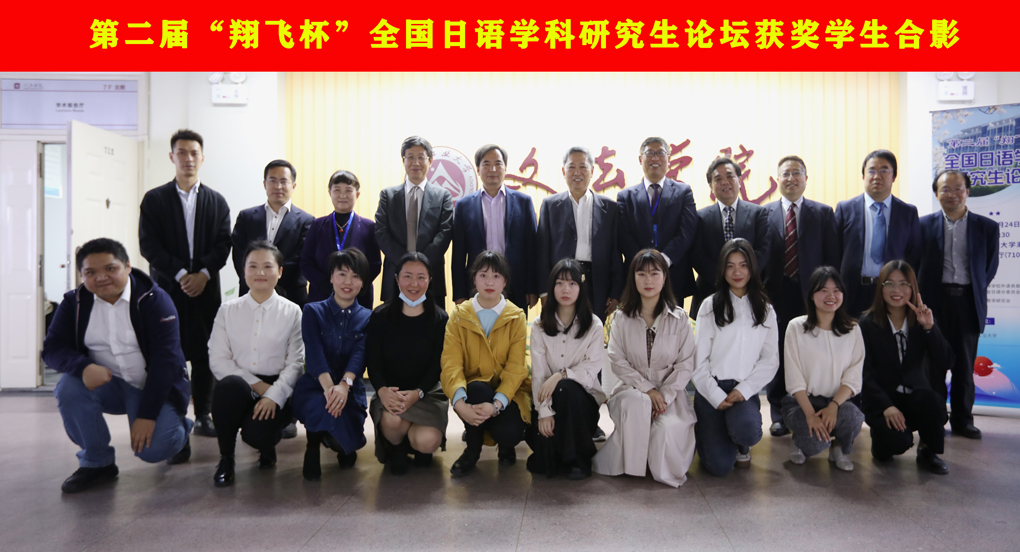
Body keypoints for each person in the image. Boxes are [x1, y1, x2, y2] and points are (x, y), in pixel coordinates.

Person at [44, 238, 192, 493]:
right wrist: (83, 366)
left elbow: (165, 362)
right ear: (81, 276)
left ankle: (181, 429)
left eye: (110, 268)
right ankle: (97, 463)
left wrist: (147, 415)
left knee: (153, 450)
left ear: (128, 266)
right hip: (108, 385)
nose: (101, 278)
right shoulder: (74, 303)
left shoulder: (155, 300)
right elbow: (52, 349)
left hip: (152, 387)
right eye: (91, 272)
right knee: (68, 387)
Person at [139, 129, 231, 438]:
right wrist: (181, 275)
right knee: (169, 354)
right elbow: (149, 246)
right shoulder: (154, 199)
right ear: (172, 157)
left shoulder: (217, 201)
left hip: (206, 290)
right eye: (182, 152)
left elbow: (223, 245)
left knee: (206, 354)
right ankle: (174, 415)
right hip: (168, 290)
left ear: (202, 158)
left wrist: (203, 274)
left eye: (194, 153)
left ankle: (204, 414)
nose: (188, 158)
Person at [592, 249, 697, 488]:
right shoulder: (621, 318)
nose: (648, 280)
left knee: (667, 429)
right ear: (633, 278)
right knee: (637, 404)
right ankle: (633, 468)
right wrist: (648, 390)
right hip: (632, 389)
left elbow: (685, 364)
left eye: (654, 273)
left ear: (664, 277)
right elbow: (617, 359)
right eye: (641, 274)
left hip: (670, 394)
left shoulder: (680, 318)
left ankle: (654, 465)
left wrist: (664, 396)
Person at [207, 241, 304, 487]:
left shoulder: (293, 312)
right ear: (243, 271)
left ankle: (266, 446)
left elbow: (296, 362)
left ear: (279, 272)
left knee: (259, 435)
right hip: (237, 385)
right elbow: (218, 359)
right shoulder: (227, 310)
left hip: (276, 386)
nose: (260, 272)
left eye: (267, 266)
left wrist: (274, 394)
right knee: (228, 387)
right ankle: (226, 458)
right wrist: (258, 387)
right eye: (253, 266)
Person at [762, 155, 841, 437]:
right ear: (777, 179)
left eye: (797, 173)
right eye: (785, 173)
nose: (791, 178)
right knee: (777, 353)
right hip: (776, 294)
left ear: (806, 179)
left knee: (811, 353)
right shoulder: (764, 214)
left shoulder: (823, 213)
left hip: (812, 295)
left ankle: (811, 409)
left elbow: (832, 258)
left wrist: (829, 295)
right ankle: (779, 414)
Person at [918, 170, 999, 439]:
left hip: (967, 303)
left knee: (964, 366)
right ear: (936, 193)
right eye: (945, 189)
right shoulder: (922, 226)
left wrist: (969, 290)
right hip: (934, 303)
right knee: (934, 366)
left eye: (958, 188)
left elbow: (988, 269)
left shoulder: (987, 227)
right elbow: (915, 265)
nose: (952, 194)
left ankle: (963, 420)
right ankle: (935, 418)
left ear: (967, 191)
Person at [692, 239, 779, 476]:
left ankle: (740, 442)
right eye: (730, 266)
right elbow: (698, 361)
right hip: (712, 388)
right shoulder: (709, 306)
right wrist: (715, 395)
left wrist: (745, 389)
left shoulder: (765, 309)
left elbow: (770, 359)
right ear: (722, 269)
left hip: (742, 390)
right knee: (719, 467)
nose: (737, 272)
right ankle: (714, 434)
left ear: (752, 268)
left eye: (743, 265)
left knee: (747, 432)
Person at [441, 251, 531, 477]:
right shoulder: (458, 316)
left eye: (496, 276)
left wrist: (497, 405)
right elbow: (451, 363)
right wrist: (459, 403)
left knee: (509, 432)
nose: (490, 282)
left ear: (505, 282)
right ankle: (472, 450)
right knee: (477, 389)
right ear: (474, 279)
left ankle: (506, 446)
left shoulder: (516, 316)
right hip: (473, 393)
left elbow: (516, 368)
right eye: (483, 275)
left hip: (508, 394)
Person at [860, 260, 952, 474]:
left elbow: (946, 361)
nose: (896, 290)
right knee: (895, 444)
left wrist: (930, 328)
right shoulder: (867, 324)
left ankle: (928, 450)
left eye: (903, 284)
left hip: (915, 397)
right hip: (885, 401)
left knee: (933, 402)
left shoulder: (922, 319)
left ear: (912, 288)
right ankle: (882, 440)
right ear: (880, 287)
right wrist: (886, 406)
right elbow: (864, 373)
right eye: (889, 284)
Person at [291, 249, 373, 481]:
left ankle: (332, 436)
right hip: (316, 385)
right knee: (320, 404)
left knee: (345, 445)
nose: (348, 282)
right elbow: (314, 353)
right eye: (342, 274)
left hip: (349, 389)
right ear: (331, 277)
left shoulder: (368, 317)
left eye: (355, 276)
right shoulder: (312, 311)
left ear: (363, 283)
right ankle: (312, 445)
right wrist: (330, 389)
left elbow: (360, 355)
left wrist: (344, 386)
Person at [366, 252, 449, 475]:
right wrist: (382, 390)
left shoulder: (440, 319)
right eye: (408, 276)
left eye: (421, 277)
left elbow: (437, 366)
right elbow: (373, 362)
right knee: (393, 422)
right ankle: (398, 446)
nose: (414, 284)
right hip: (391, 392)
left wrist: (418, 392)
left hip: (427, 393)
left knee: (427, 441)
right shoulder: (381, 316)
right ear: (396, 278)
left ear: (430, 280)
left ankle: (416, 443)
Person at [526, 259, 606, 479]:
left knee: (567, 388)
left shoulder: (594, 325)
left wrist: (560, 376)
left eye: (572, 284)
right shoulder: (540, 325)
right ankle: (565, 454)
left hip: (582, 405)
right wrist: (544, 412)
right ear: (552, 287)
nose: (565, 289)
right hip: (549, 402)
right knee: (540, 451)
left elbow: (589, 372)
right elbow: (539, 374)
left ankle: (575, 460)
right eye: (560, 283)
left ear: (581, 288)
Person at [781, 266, 865, 472]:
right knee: (816, 442)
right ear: (812, 295)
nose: (831, 296)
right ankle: (800, 441)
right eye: (823, 290)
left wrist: (834, 406)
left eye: (836, 290)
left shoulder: (853, 329)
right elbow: (794, 378)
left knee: (854, 417)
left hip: (837, 402)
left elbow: (853, 376)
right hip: (802, 404)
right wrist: (810, 415)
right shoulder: (796, 327)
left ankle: (838, 448)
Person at [537, 146, 624, 319]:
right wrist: (543, 292)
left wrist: (616, 292)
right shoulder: (550, 205)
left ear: (592, 171)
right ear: (564, 171)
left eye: (583, 167)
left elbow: (615, 252)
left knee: (594, 328)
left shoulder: (610, 208)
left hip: (596, 282)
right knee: (562, 328)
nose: (577, 172)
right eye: (571, 167)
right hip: (561, 280)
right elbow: (542, 252)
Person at [452, 144, 539, 311]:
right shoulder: (464, 205)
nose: (492, 169)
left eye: (498, 163)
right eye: (486, 164)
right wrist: (459, 293)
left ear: (505, 168)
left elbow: (532, 249)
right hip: (477, 285)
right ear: (478, 169)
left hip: (516, 284)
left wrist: (532, 288)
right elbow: (458, 255)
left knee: (513, 326)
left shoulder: (523, 202)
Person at [835, 149, 922, 317]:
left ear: (894, 176)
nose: (877, 176)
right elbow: (834, 252)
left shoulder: (908, 212)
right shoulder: (845, 209)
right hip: (852, 290)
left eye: (884, 170)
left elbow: (914, 255)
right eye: (872, 171)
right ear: (863, 176)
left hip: (891, 292)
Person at [616, 137, 698, 303]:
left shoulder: (683, 192)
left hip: (673, 274)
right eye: (650, 153)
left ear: (668, 158)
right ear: (640, 159)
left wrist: (663, 260)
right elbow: (623, 235)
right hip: (637, 275)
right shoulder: (625, 196)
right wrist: (644, 264)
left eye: (660, 153)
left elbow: (687, 230)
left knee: (672, 319)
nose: (655, 158)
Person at [375, 136, 454, 303]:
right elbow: (381, 232)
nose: (415, 162)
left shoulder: (443, 196)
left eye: (421, 157)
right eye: (410, 157)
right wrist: (405, 266)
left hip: (431, 275)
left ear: (430, 161)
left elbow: (445, 233)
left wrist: (421, 265)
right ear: (403, 160)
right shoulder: (388, 195)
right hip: (395, 274)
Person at [690, 157, 770, 318]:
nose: (725, 182)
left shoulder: (758, 213)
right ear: (711, 186)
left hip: (750, 291)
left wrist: (743, 276)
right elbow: (697, 255)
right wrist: (723, 279)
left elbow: (763, 250)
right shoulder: (700, 217)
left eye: (729, 176)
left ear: (739, 180)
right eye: (718, 179)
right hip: (710, 291)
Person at [230, 159, 314, 306]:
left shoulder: (307, 221)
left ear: (293, 186)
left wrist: (270, 281)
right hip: (251, 295)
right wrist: (257, 282)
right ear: (265, 184)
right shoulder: (246, 217)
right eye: (273, 180)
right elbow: (239, 255)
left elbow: (301, 259)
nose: (278, 186)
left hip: (290, 296)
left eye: (283, 181)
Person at [301, 169, 382, 309]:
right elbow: (306, 262)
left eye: (348, 190)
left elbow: (375, 264)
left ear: (357, 194)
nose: (342, 195)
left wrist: (355, 285)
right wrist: (326, 285)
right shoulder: (317, 225)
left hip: (358, 298)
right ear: (330, 193)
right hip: (322, 296)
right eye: (337, 190)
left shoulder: (369, 227)